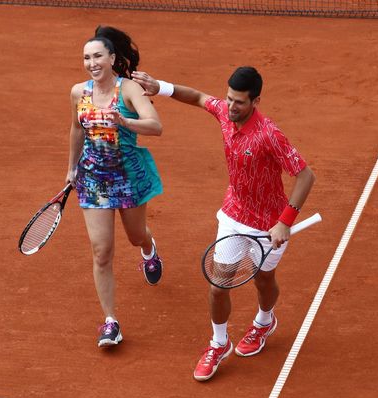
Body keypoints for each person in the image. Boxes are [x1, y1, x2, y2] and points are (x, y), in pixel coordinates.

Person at [132, 67, 316, 381]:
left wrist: (285, 222)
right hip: (233, 214)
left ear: (256, 101)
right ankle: (219, 343)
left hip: (269, 223)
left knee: (264, 280)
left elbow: (305, 175)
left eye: (239, 103)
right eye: (229, 99)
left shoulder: (269, 135)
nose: (231, 107)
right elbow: (199, 97)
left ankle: (264, 321)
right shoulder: (224, 112)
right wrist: (159, 86)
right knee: (219, 286)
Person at [66, 26, 164, 348]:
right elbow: (76, 130)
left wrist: (126, 122)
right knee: (101, 251)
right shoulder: (78, 92)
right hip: (93, 179)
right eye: (86, 57)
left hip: (129, 176)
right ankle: (111, 322)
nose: (91, 62)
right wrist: (71, 168)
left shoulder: (130, 90)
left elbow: (156, 125)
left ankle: (148, 249)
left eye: (97, 56)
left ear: (111, 58)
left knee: (135, 235)